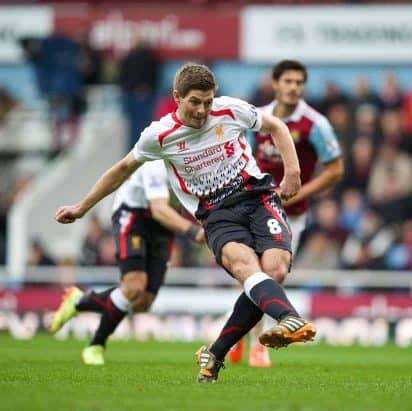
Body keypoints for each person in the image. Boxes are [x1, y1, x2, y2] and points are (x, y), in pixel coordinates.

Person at [54, 63, 316, 383]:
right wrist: (82, 207)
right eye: (195, 102)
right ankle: (289, 317)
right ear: (177, 97)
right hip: (216, 214)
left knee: (275, 270)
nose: (203, 110)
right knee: (246, 268)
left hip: (258, 198)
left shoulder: (230, 110)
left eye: (208, 101)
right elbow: (121, 170)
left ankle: (215, 352)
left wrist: (293, 172)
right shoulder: (159, 135)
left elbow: (275, 126)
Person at [236, 59, 342, 367]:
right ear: (276, 83)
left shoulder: (314, 124)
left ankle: (253, 339)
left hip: (290, 213)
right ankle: (253, 340)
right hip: (253, 205)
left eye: (299, 82)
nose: (294, 87)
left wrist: (297, 191)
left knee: (272, 273)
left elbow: (336, 170)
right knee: (248, 271)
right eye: (288, 81)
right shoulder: (258, 118)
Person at [50, 161, 204, 365]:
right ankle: (96, 345)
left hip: (164, 222)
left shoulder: (198, 160)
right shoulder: (157, 161)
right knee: (133, 286)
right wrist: (195, 231)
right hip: (134, 213)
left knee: (143, 301)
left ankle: (79, 301)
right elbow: (159, 209)